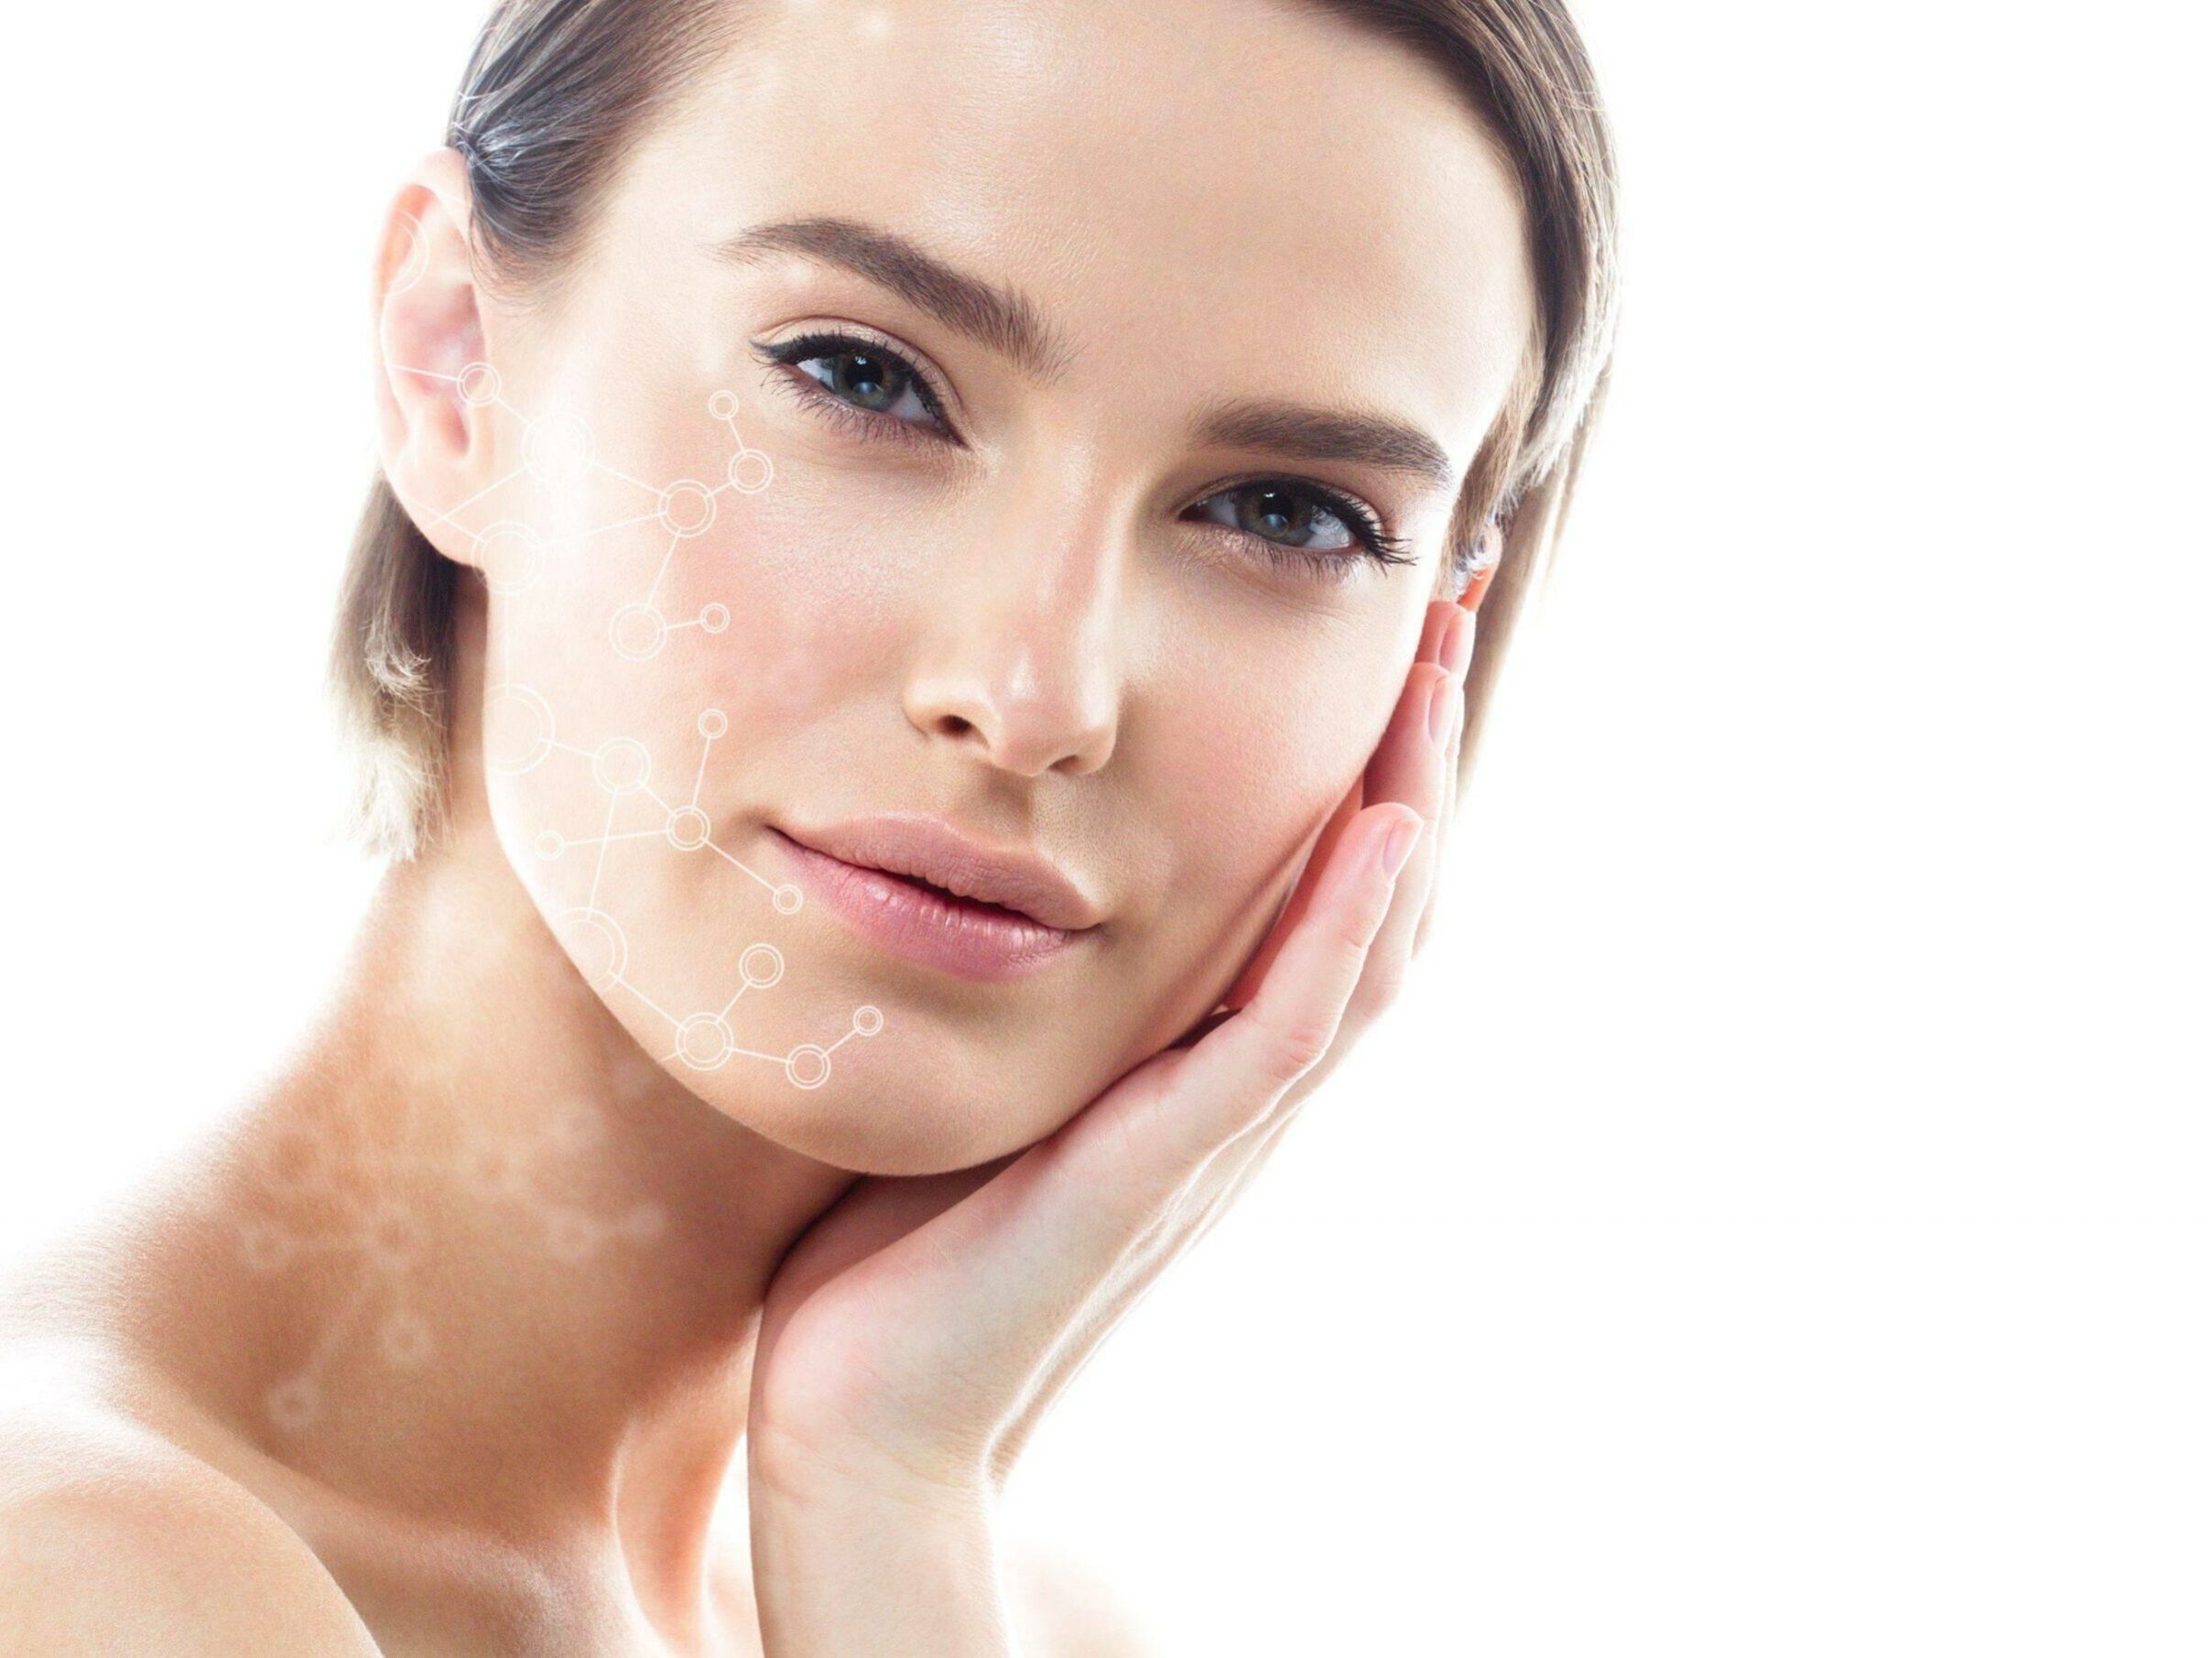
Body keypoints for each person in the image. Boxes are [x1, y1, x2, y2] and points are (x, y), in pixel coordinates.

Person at [0, 0, 1617, 1650]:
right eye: (866, 378)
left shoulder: (1006, 1606)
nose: (1039, 692)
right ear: (457, 362)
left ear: (1434, 648)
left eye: (1289, 513)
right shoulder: (84, 1577)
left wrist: (885, 1485)